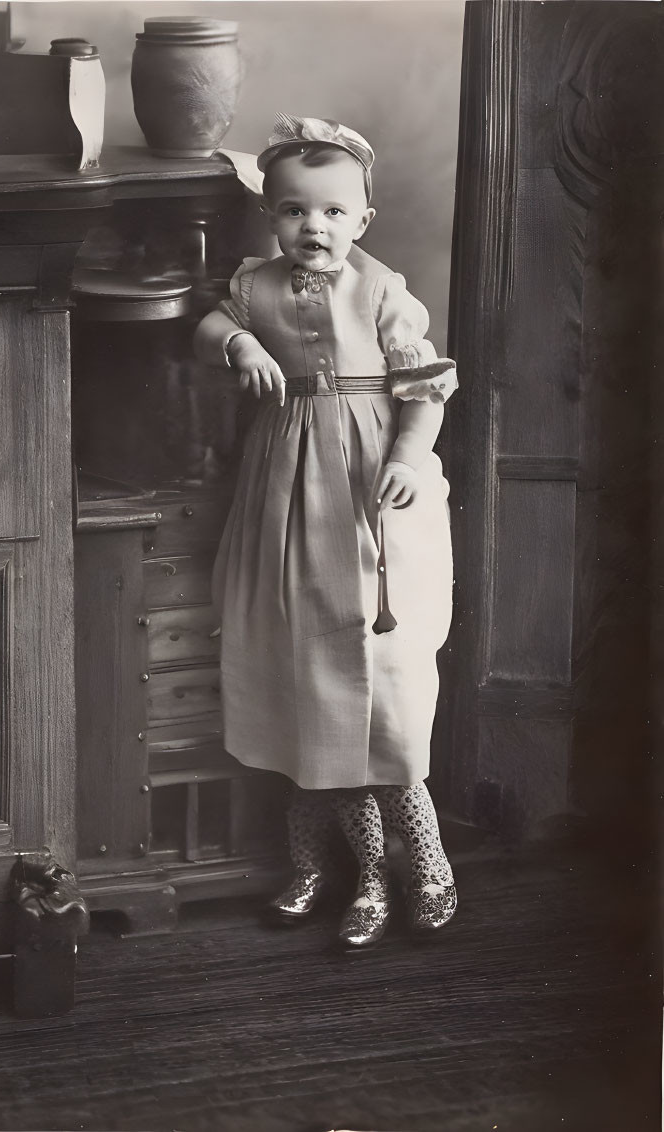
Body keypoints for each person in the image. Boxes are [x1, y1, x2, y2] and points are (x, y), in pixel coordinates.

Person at [194, 115, 460, 949]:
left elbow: (422, 389)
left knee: (381, 683)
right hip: (283, 488)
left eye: (335, 212)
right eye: (294, 211)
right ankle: (328, 867)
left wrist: (411, 461)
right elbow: (204, 326)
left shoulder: (382, 291)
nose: (314, 227)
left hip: (365, 490)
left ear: (363, 221)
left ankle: (424, 866)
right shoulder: (254, 283)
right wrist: (237, 340)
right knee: (305, 677)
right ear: (272, 217)